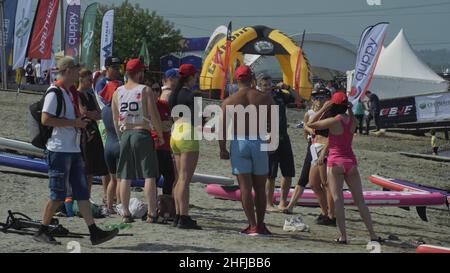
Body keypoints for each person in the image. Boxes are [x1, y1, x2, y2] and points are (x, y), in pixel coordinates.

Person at [35, 56, 118, 245]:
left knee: (81, 192)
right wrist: (74, 123)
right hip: (59, 149)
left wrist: (81, 127)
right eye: (75, 69)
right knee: (58, 193)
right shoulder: (54, 92)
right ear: (66, 71)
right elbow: (46, 119)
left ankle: (93, 231)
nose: (78, 72)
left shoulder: (70, 92)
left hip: (72, 149)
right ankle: (42, 230)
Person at [307, 92, 382, 244]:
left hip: (335, 163)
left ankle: (343, 237)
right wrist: (349, 109)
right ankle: (373, 235)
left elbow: (310, 124)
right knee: (360, 201)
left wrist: (322, 109)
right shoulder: (353, 121)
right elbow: (349, 119)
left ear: (333, 105)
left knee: (338, 200)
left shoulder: (334, 121)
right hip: (351, 162)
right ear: (347, 105)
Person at [219, 66, 274, 236]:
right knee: (260, 187)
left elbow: (222, 129)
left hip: (239, 141)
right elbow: (274, 123)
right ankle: (261, 224)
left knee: (245, 187)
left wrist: (222, 148)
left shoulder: (229, 101)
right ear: (252, 79)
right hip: (258, 140)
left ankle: (252, 225)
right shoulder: (264, 98)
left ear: (236, 80)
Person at [112, 58, 164, 224]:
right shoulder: (145, 90)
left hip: (125, 133)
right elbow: (154, 114)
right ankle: (151, 212)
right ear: (140, 72)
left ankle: (125, 212)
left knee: (125, 175)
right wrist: (160, 133)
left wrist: (121, 137)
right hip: (142, 132)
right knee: (149, 175)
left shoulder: (117, 92)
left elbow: (115, 119)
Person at [255, 74, 297, 212]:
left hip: (284, 137)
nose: (267, 87)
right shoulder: (257, 98)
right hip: (268, 137)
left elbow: (299, 99)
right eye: (264, 85)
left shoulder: (279, 95)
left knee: (288, 172)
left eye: (269, 84)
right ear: (260, 86)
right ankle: (268, 203)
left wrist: (288, 88)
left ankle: (282, 202)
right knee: (271, 174)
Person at [169, 64, 202, 230]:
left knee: (179, 178)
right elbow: (197, 120)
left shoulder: (173, 94)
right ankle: (184, 217)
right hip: (188, 133)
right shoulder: (191, 95)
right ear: (192, 77)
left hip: (175, 133)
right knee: (185, 179)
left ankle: (177, 215)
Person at [77, 69, 109, 197]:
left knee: (90, 169)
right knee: (85, 168)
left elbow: (99, 113)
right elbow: (82, 112)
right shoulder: (77, 94)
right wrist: (91, 114)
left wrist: (90, 114)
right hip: (84, 133)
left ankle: (87, 196)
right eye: (89, 80)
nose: (91, 83)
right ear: (81, 79)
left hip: (93, 132)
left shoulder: (90, 95)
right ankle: (82, 196)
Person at [150, 80, 176, 196]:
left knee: (170, 176)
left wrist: (161, 125)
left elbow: (170, 123)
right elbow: (152, 126)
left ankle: (166, 202)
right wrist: (161, 125)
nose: (156, 92)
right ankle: (153, 204)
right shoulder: (146, 106)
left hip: (165, 146)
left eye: (157, 90)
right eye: (153, 90)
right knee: (154, 178)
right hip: (153, 146)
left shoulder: (164, 105)